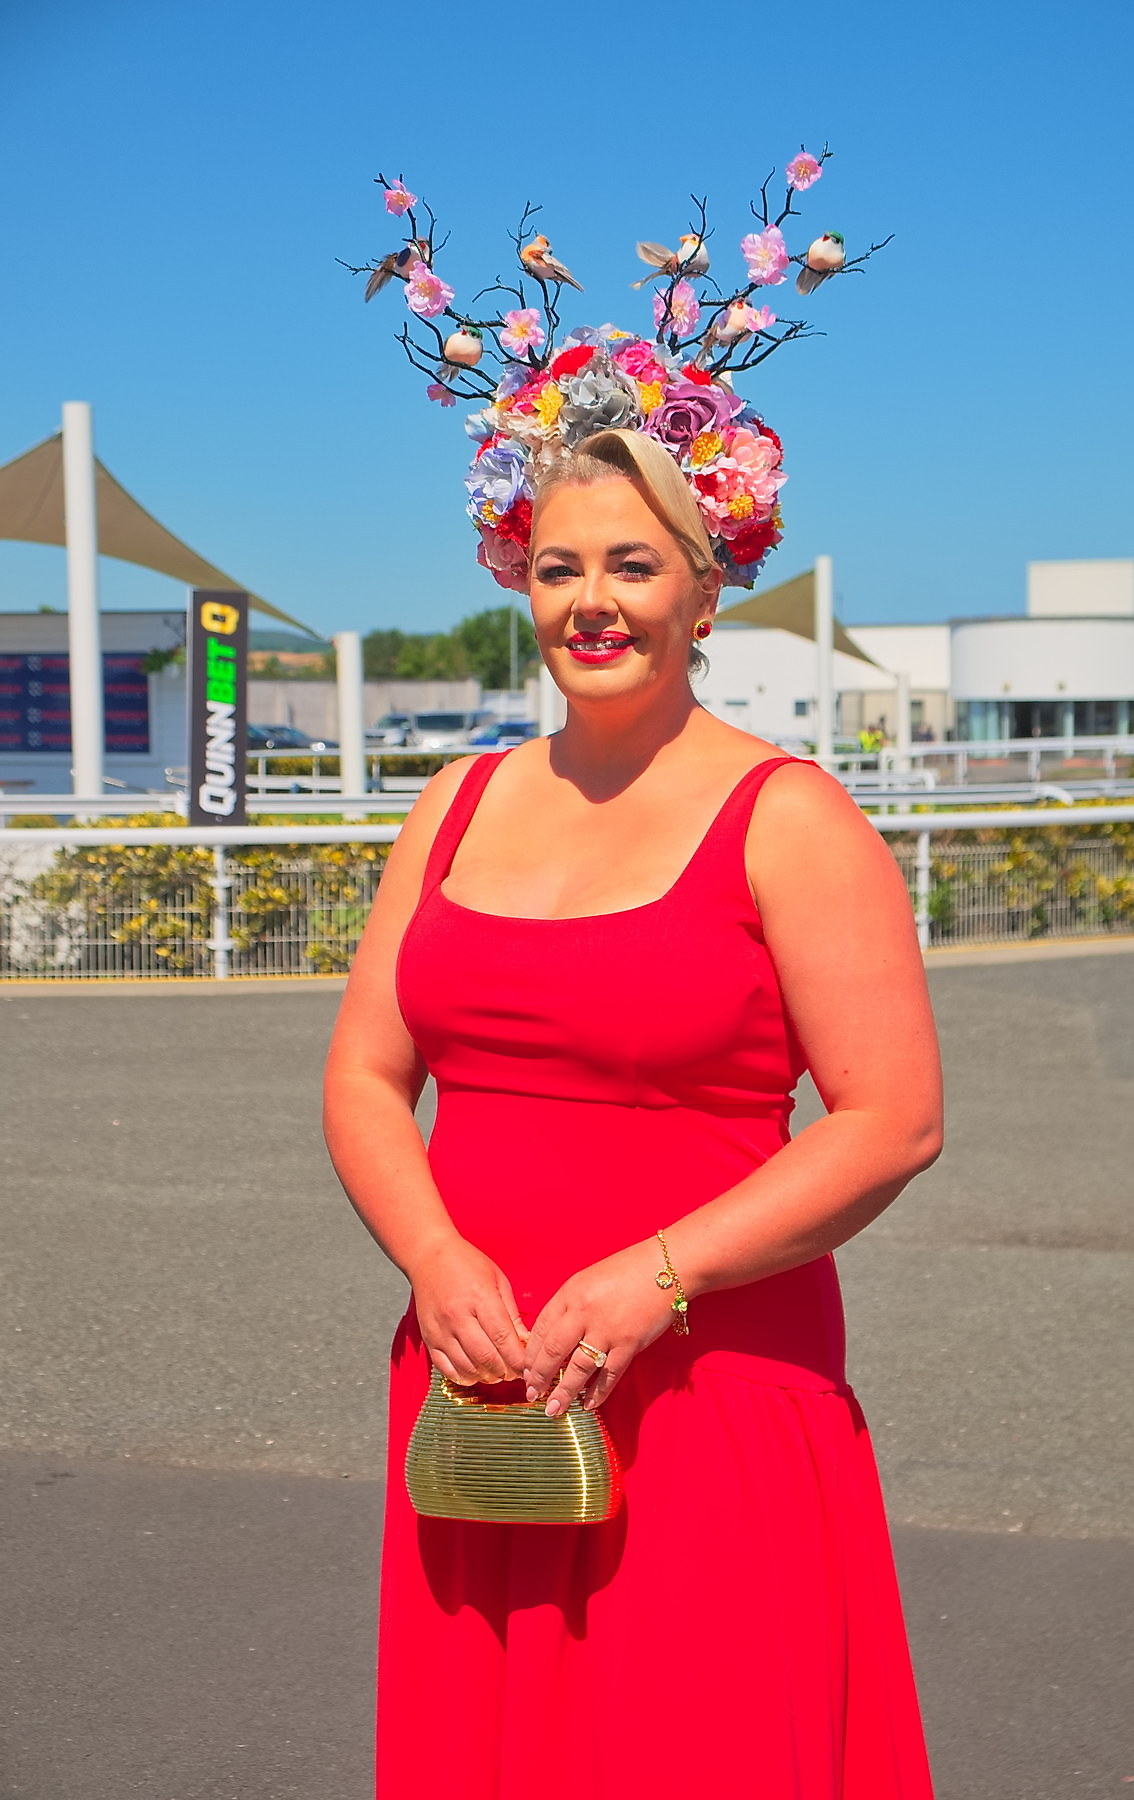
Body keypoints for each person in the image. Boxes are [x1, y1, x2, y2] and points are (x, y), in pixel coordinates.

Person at [325, 428, 943, 1800]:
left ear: (706, 592)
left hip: (706, 1383)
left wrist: (660, 1275)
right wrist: (431, 1256)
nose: (591, 601)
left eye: (633, 565)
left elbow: (892, 1119)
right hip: (483, 1381)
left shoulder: (787, 816)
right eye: (559, 568)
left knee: (699, 1747)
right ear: (521, 584)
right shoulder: (455, 802)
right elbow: (364, 1074)